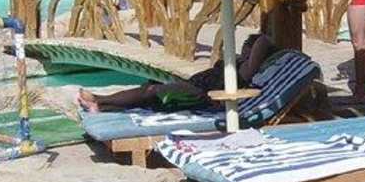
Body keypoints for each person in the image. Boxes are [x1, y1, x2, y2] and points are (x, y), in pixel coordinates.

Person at [75, 33, 274, 114]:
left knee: (153, 91)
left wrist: (264, 35)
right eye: (246, 44)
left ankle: (99, 99)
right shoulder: (237, 62)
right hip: (197, 85)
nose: (245, 47)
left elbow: (264, 41)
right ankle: (102, 106)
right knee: (153, 93)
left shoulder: (246, 70)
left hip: (204, 93)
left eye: (249, 45)